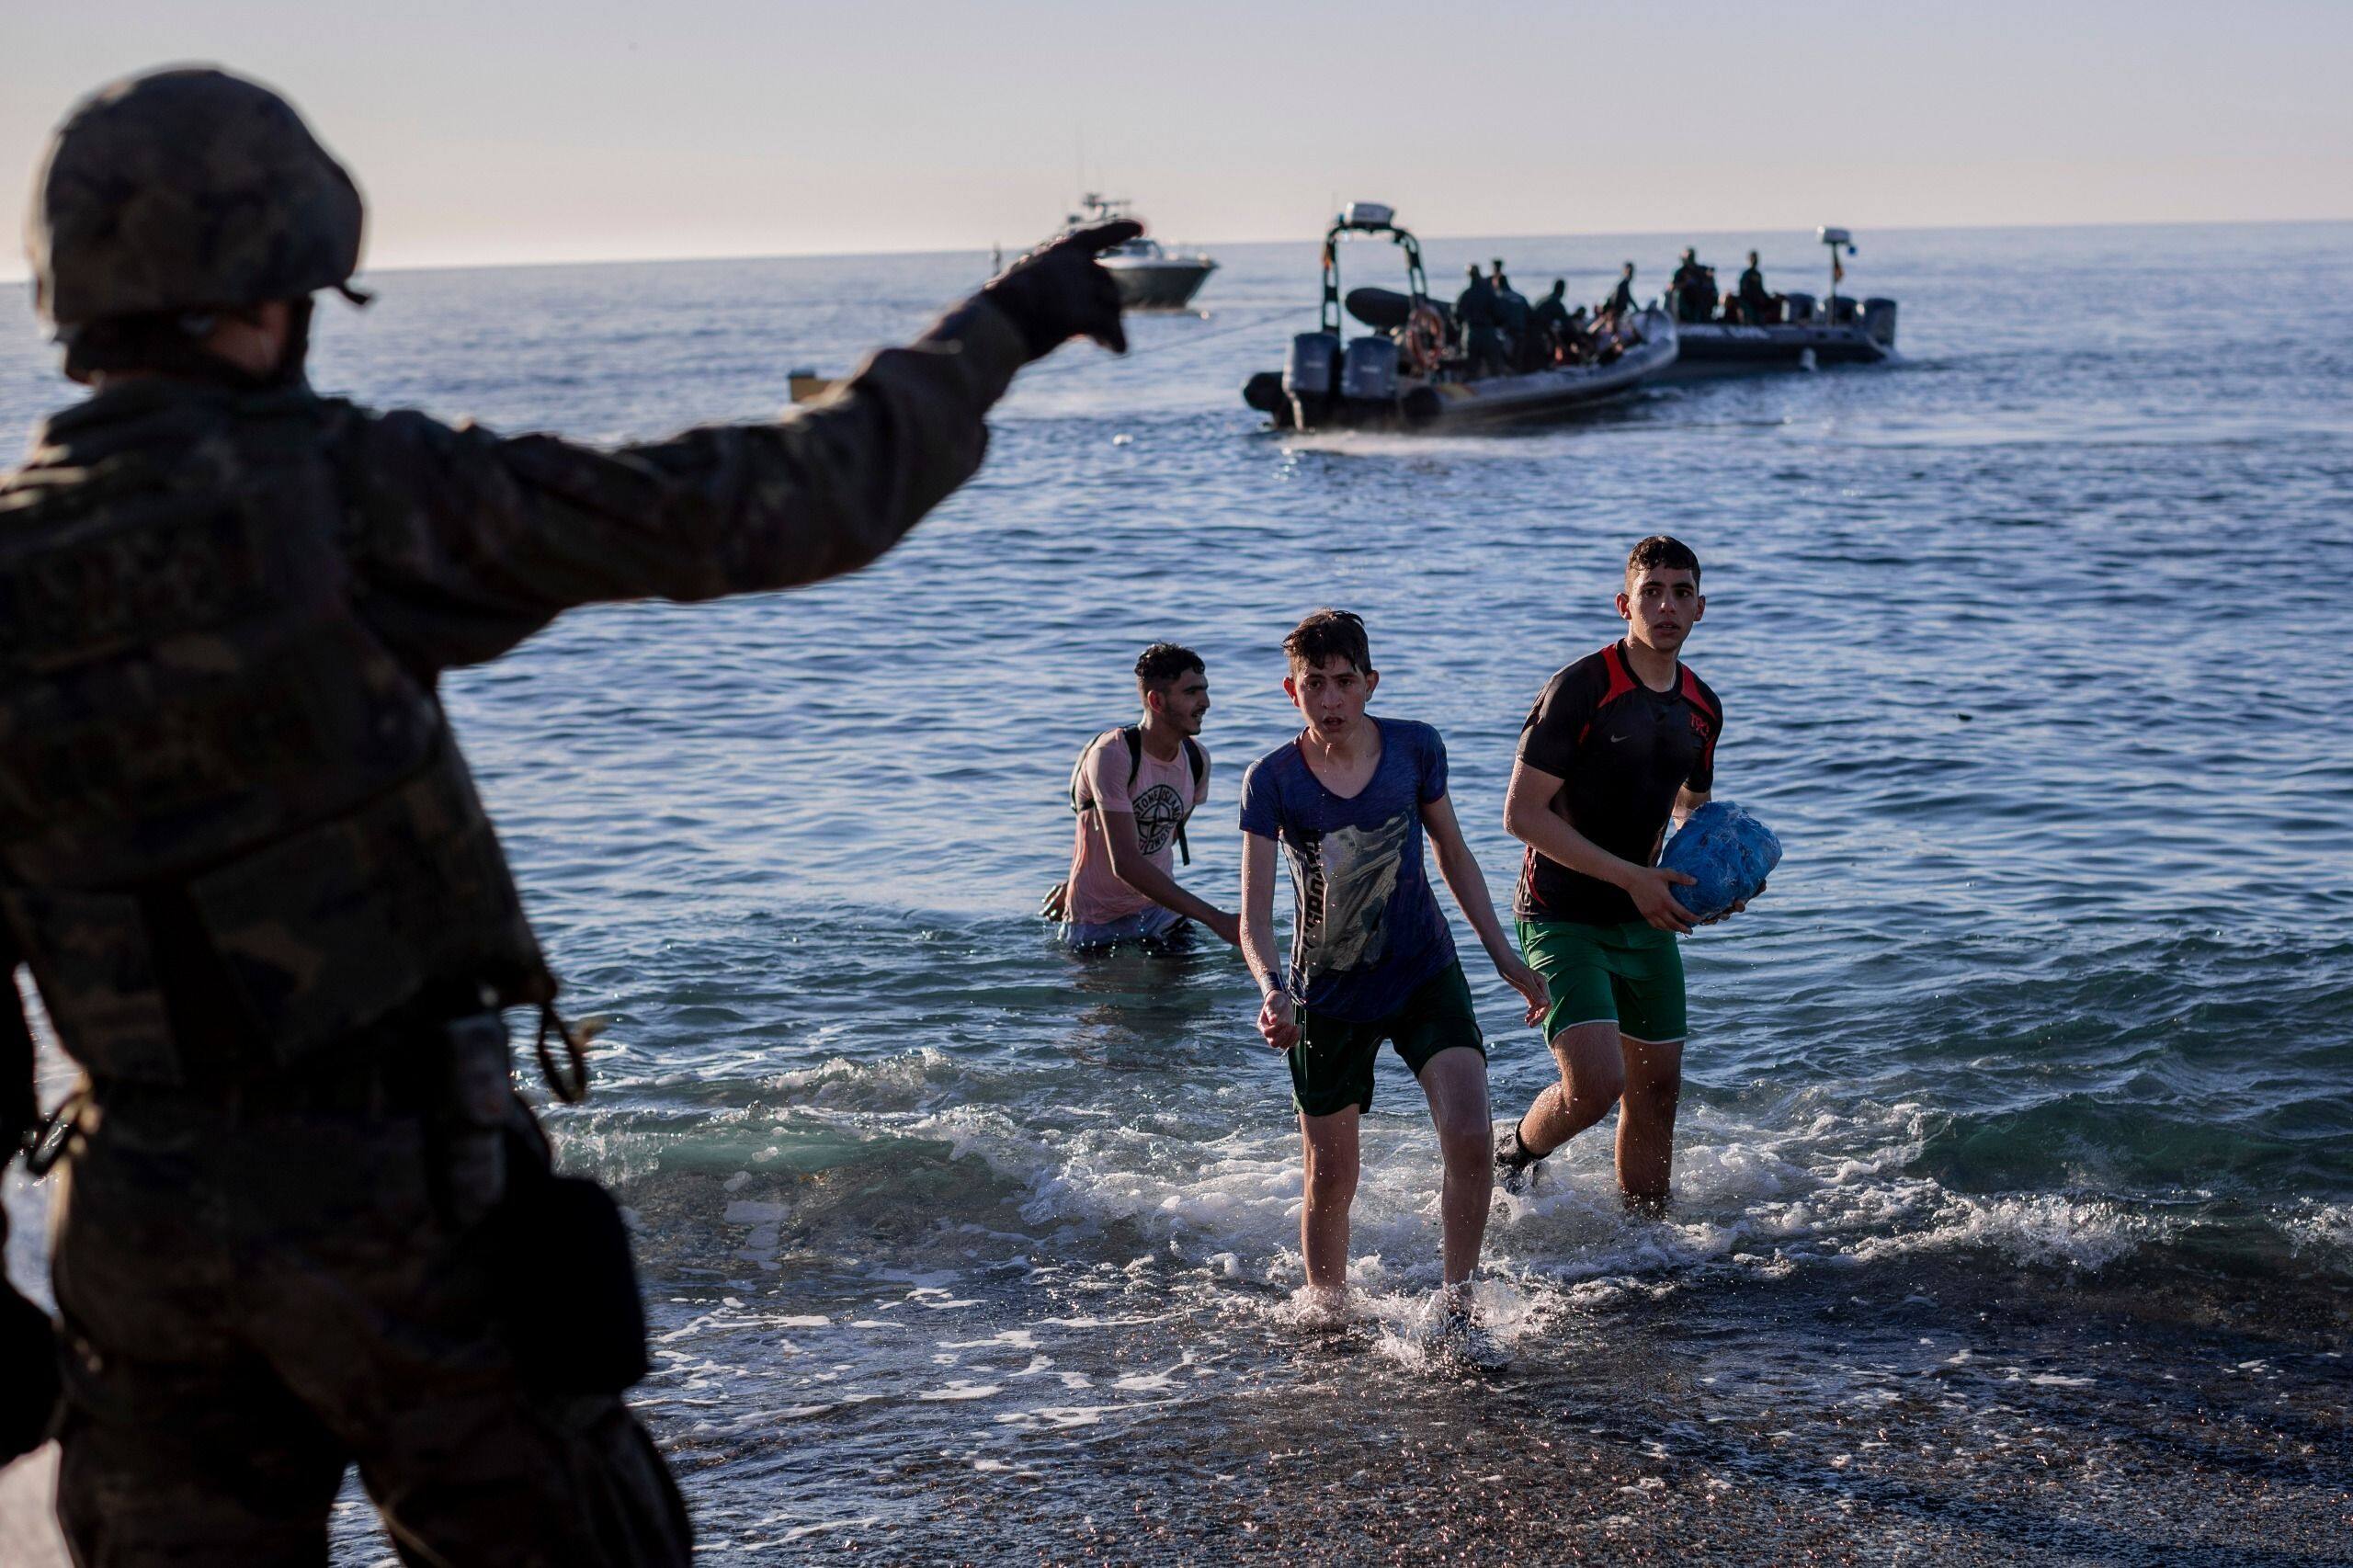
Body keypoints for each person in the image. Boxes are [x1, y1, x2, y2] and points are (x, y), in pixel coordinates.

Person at [0, 64, 1138, 1564]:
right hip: (396, 1206)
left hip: (133, 1223)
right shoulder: (345, 491)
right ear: (268, 293)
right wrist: (997, 329)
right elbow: (774, 501)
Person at [1238, 611, 1546, 1330]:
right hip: (1326, 993)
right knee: (1333, 1176)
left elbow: (1454, 854)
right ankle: (1327, 1315)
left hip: (1422, 971)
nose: (1331, 699)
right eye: (1315, 684)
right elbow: (1252, 916)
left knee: (1471, 1137)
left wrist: (1505, 956)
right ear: (1293, 691)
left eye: (1345, 682)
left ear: (1370, 683)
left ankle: (1459, 1306)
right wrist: (1270, 991)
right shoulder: (1272, 781)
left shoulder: (1415, 749)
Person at [1492, 537, 1754, 1213]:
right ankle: (1514, 1153)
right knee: (1596, 1085)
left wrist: (1712, 882)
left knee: (1658, 1090)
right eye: (1652, 592)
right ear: (1624, 604)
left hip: (1644, 916)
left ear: (1701, 608)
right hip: (1560, 911)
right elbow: (1521, 815)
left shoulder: (1703, 707)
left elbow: (1690, 808)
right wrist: (1631, 877)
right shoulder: (1582, 687)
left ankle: (1647, 1242)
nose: (1666, 605)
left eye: (1681, 592)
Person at [1043, 643, 1240, 950]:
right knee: (1120, 1000)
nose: (1206, 702)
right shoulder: (1113, 754)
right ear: (1156, 701)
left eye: (1205, 690)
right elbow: (1125, 862)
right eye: (1191, 692)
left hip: (1159, 914)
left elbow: (1163, 834)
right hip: (1096, 922)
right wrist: (1216, 919)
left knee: (1190, 997)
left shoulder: (1196, 759)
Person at [1452, 264, 1504, 379]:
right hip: (1487, 333)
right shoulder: (1489, 293)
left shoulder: (1465, 295)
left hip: (1472, 333)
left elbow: (1456, 315)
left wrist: (1459, 326)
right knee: (1494, 367)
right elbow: (1498, 312)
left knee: (1471, 368)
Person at [1488, 260, 1531, 369]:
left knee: (1505, 362)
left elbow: (1496, 316)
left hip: (1507, 335)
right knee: (1517, 362)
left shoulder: (1500, 299)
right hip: (1521, 334)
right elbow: (1529, 315)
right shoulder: (1520, 297)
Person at [1669, 247, 1714, 323]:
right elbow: (1672, 287)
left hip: (1699, 298)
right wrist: (1685, 283)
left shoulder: (1700, 270)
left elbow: (1709, 277)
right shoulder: (1680, 272)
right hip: (1685, 299)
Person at [1734, 249, 1775, 324]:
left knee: (1773, 303)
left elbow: (1761, 289)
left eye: (1756, 258)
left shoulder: (1758, 274)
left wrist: (1768, 297)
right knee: (1750, 311)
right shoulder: (1746, 274)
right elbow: (1743, 290)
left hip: (1757, 300)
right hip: (1747, 300)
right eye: (1752, 259)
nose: (1754, 261)